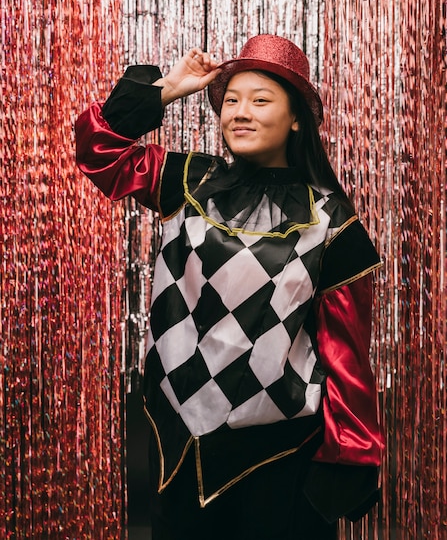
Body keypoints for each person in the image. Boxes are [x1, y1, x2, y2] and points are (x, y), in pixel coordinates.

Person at [75, 35, 384, 540]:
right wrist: (165, 91)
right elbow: (97, 150)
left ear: (297, 119)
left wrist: (351, 453)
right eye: (231, 100)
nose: (240, 112)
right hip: (180, 443)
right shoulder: (188, 181)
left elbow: (347, 352)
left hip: (281, 456)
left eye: (261, 100)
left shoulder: (333, 222)